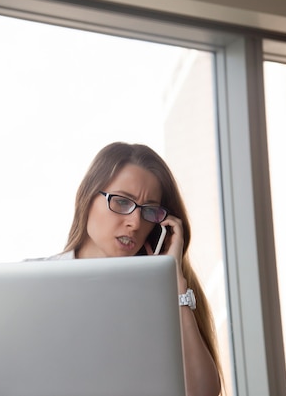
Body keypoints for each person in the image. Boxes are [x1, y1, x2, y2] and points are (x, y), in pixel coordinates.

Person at [50, 141, 222, 396]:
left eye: (149, 210)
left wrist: (174, 283)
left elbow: (202, 392)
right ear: (87, 197)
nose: (135, 222)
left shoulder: (164, 296)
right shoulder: (34, 286)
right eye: (121, 202)